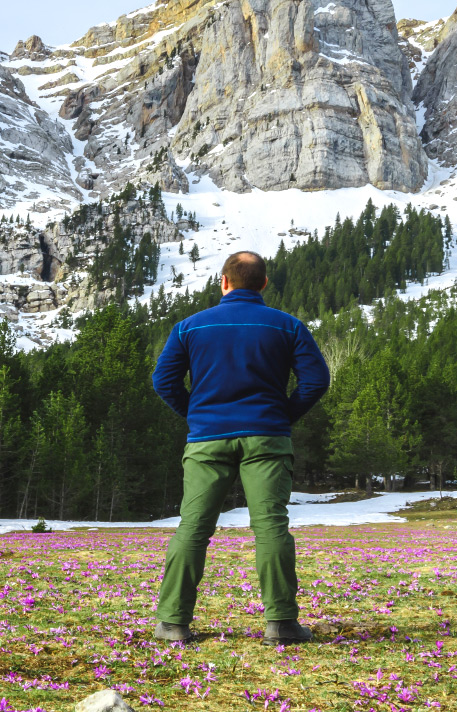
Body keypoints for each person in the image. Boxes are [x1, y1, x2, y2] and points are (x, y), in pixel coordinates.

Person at [149, 250, 329, 643]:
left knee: (193, 528)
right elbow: (315, 381)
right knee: (270, 527)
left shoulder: (189, 327)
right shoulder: (288, 326)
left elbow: (163, 382)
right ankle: (280, 624)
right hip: (267, 436)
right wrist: (280, 417)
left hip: (206, 439)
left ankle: (172, 624)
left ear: (223, 282)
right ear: (264, 283)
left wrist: (196, 416)